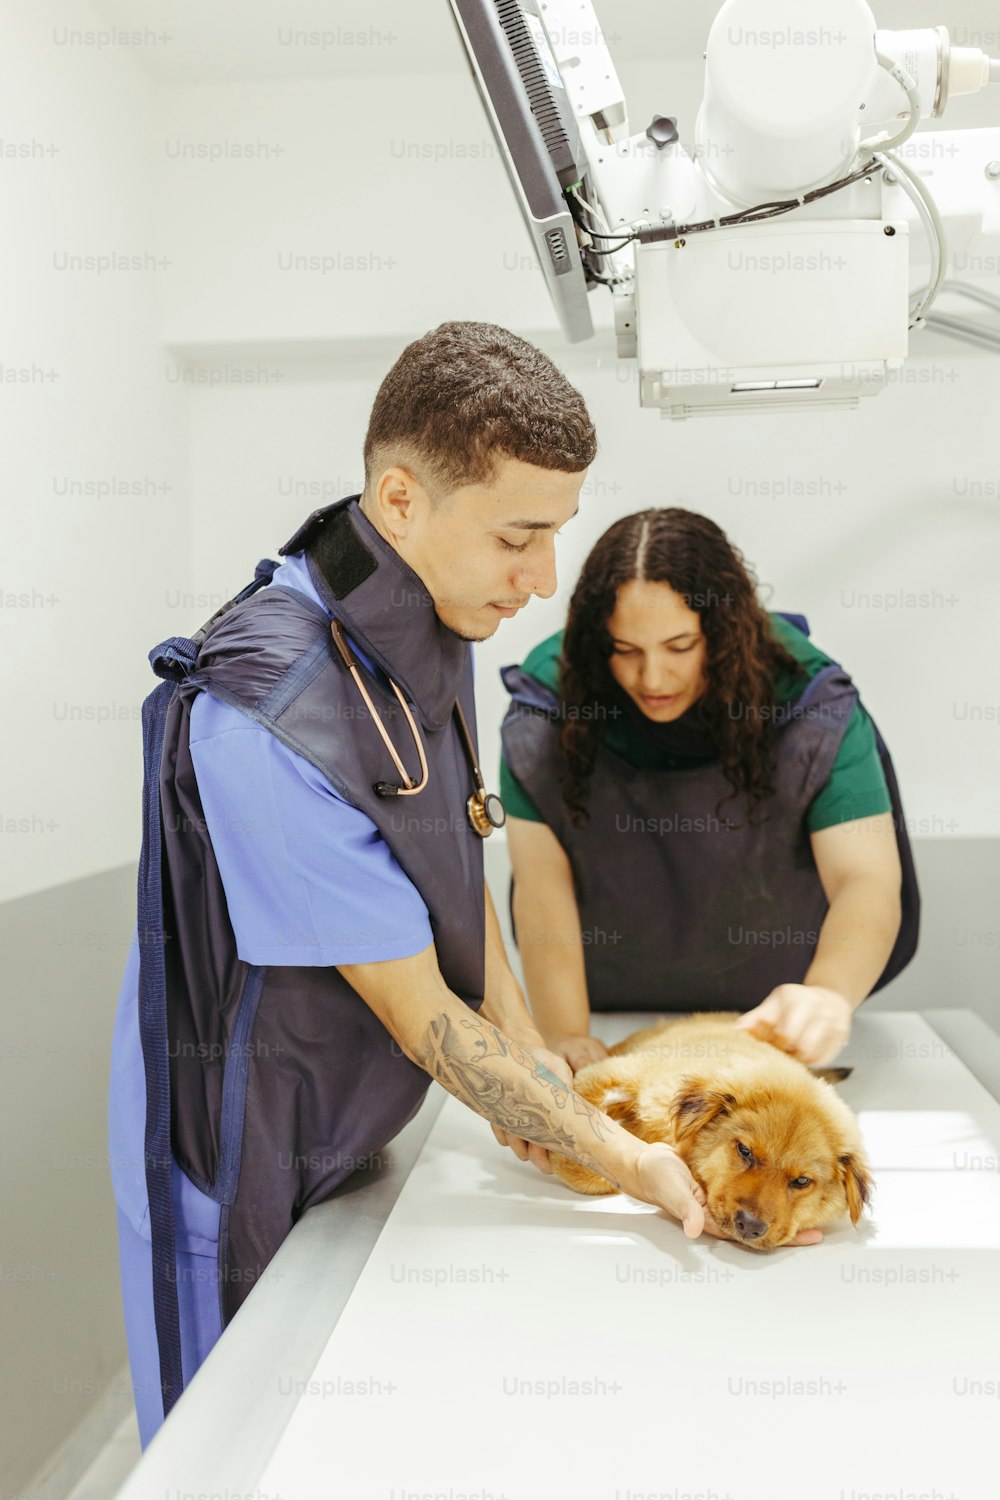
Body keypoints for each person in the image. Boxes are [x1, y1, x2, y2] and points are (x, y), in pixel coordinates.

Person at [109, 324, 740, 1451]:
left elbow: (456, 864)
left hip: (342, 1127)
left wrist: (539, 1061)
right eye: (519, 537)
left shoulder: (424, 621)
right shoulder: (269, 714)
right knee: (232, 1449)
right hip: (233, 1149)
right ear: (400, 502)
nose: (544, 582)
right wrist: (624, 1154)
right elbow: (419, 1015)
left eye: (555, 536)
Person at [500, 506, 913, 1076]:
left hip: (776, 1021)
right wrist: (566, 1035)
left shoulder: (809, 696)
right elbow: (542, 885)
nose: (652, 678)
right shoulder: (547, 700)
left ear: (721, 632)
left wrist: (829, 995)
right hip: (608, 1011)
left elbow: (865, 877)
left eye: (679, 646)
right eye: (625, 650)